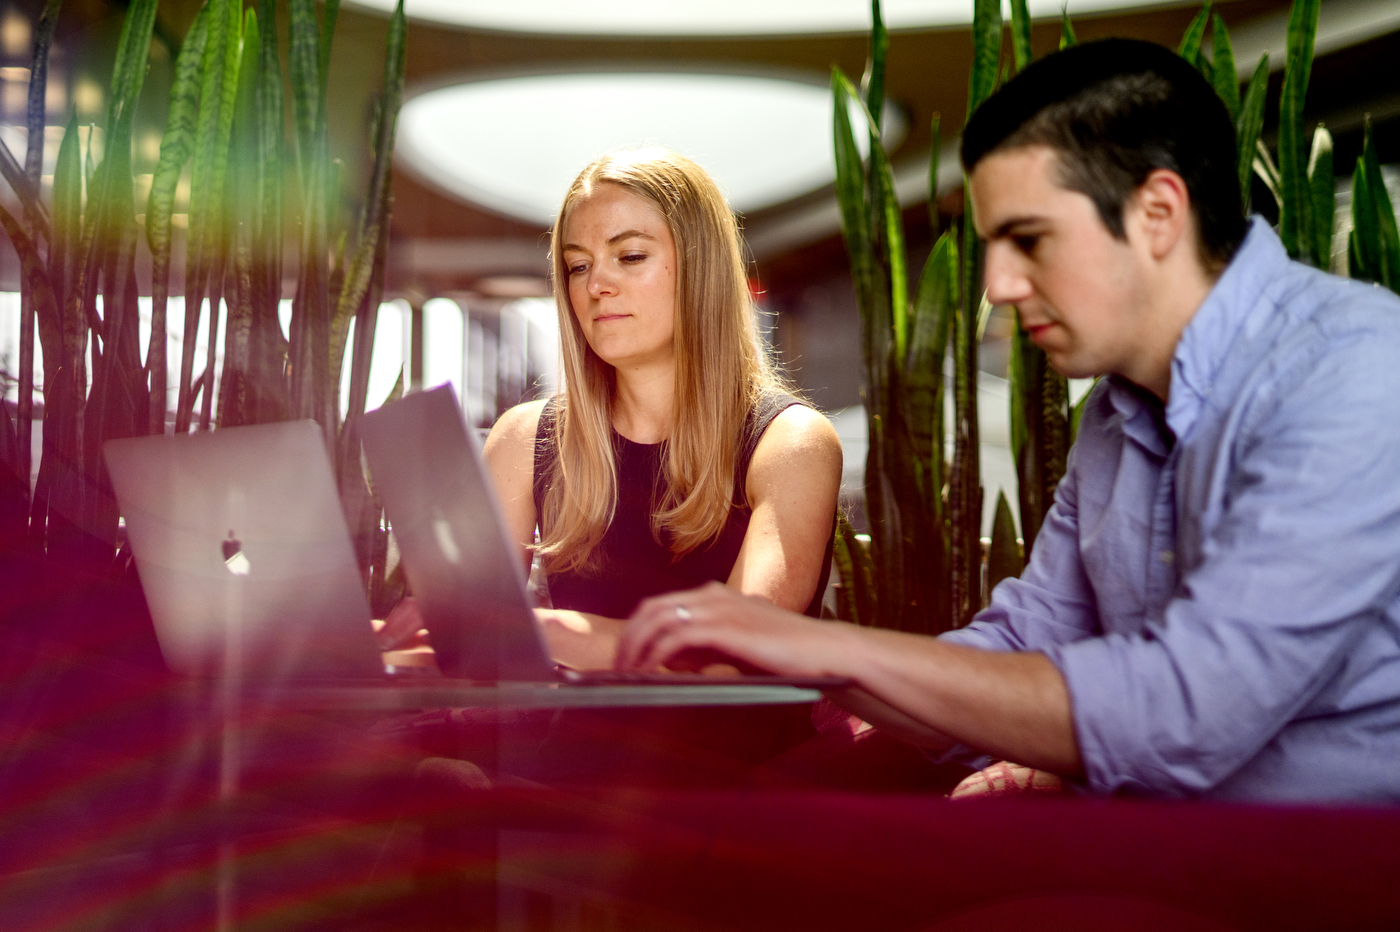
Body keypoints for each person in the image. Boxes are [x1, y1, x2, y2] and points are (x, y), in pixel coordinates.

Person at [614, 39, 1400, 803]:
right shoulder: (1113, 417)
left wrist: (822, 647)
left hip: (1330, 857)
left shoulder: (1356, 369)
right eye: (991, 245)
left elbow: (1186, 711)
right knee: (757, 817)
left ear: (1159, 213)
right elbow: (1026, 640)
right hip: (1147, 827)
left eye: (1028, 239)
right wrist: (806, 664)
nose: (997, 282)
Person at [381, 147, 842, 672]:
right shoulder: (525, 438)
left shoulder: (792, 442)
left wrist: (535, 629)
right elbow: (470, 650)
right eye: (578, 266)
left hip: (739, 752)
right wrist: (365, 645)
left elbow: (730, 656)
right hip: (573, 747)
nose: (596, 285)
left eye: (630, 257)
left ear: (700, 269)